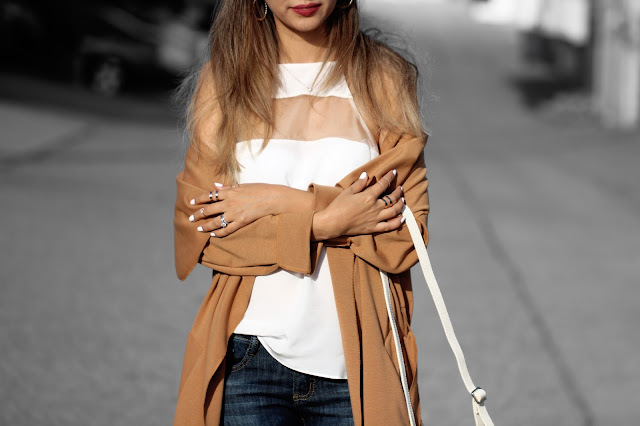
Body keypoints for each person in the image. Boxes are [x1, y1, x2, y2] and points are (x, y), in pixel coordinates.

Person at [173, 0, 430, 424]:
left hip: (357, 364)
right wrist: (326, 223)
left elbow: (405, 234)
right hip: (247, 357)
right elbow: (202, 233)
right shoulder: (225, 80)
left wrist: (278, 200)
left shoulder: (383, 76)